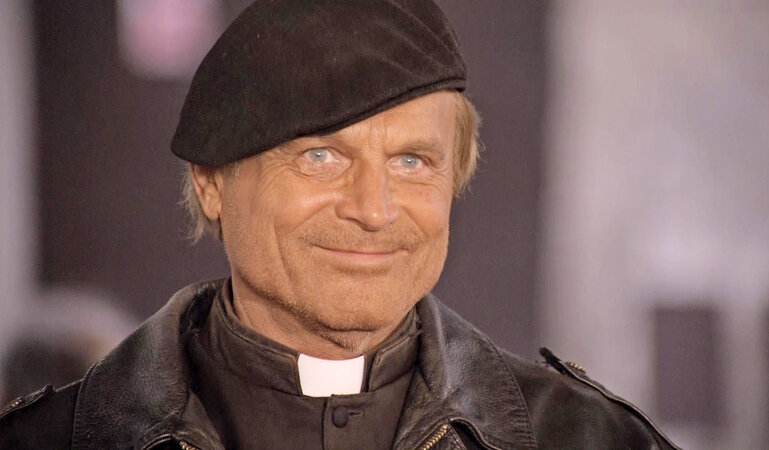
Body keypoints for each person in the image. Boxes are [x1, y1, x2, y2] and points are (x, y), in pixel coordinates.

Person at [0, 1, 679, 448]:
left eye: (412, 161)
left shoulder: (589, 439)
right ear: (211, 183)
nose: (374, 209)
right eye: (320, 157)